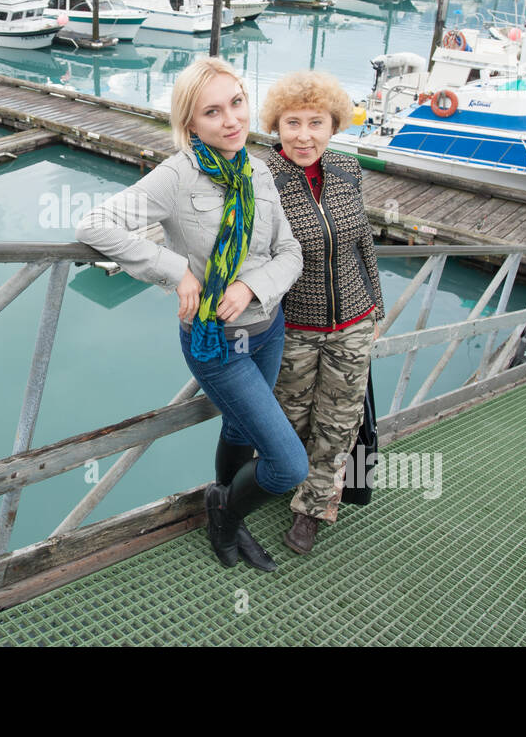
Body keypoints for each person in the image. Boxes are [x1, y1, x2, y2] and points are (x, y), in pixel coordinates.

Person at [77, 57, 304, 572]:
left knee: (242, 432)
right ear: (190, 124)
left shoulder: (258, 168)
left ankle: (228, 507)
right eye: (213, 111)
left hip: (268, 327)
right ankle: (224, 515)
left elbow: (290, 252)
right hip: (217, 345)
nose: (231, 120)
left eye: (237, 103)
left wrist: (250, 284)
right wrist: (175, 270)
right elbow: (95, 225)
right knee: (288, 466)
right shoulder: (178, 176)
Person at [260, 70, 384, 556]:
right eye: (293, 123)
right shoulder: (260, 180)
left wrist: (375, 307)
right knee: (288, 418)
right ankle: (281, 480)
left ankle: (312, 510)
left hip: (354, 319)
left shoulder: (348, 171)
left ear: (334, 126)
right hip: (292, 326)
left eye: (317, 123)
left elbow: (363, 244)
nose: (304, 135)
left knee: (339, 421)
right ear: (277, 125)